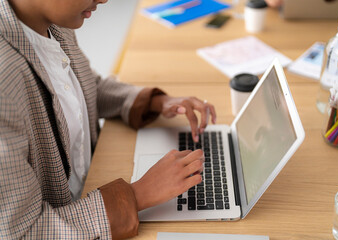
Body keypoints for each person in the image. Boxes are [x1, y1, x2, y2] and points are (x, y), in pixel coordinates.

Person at [0, 0, 217, 239]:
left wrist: (153, 102)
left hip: (93, 187)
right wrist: (136, 196)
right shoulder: (4, 81)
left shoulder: (52, 22)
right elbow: (23, 233)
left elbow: (82, 88)